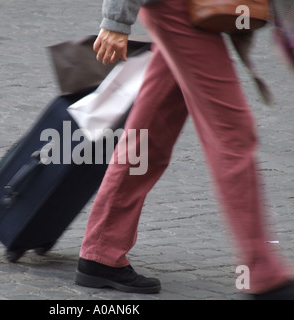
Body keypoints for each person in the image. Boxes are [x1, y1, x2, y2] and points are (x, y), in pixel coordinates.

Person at [75, 0, 294, 299]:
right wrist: (115, 21)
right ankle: (263, 273)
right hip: (177, 8)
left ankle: (100, 251)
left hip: (190, 11)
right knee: (233, 134)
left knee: (151, 133)